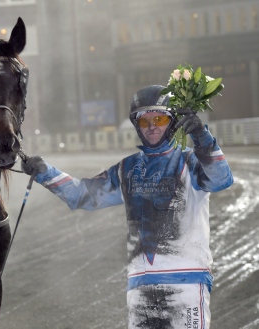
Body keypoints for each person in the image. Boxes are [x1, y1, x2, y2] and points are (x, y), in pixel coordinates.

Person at [21, 85, 233, 328]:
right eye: (144, 121)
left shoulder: (191, 161)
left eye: (159, 118)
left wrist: (202, 138)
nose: (152, 125)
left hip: (185, 284)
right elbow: (83, 194)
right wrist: (45, 173)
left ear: (173, 122)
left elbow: (221, 179)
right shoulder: (126, 169)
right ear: (136, 125)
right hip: (140, 287)